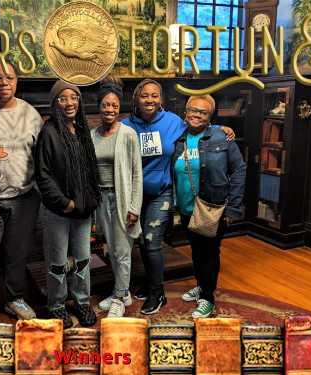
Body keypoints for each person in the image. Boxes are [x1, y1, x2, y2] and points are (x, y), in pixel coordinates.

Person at [122, 79, 235, 315]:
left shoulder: (173, 122)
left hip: (161, 192)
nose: (150, 100)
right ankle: (150, 281)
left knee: (152, 242)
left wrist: (221, 128)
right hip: (133, 194)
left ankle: (157, 292)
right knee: (142, 241)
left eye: (155, 95)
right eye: (145, 95)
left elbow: (201, 125)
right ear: (136, 98)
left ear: (161, 99)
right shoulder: (126, 126)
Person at [0, 62, 43, 323]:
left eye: (9, 78)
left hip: (24, 198)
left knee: (17, 255)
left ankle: (14, 299)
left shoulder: (30, 114)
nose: (4, 82)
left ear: (17, 81)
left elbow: (43, 156)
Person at [172, 94, 246, 318]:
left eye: (202, 112)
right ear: (185, 112)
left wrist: (233, 207)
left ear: (210, 117)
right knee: (196, 251)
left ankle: (208, 298)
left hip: (212, 209)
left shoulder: (221, 137)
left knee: (209, 254)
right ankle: (201, 286)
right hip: (187, 208)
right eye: (192, 110)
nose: (196, 115)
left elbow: (239, 170)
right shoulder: (178, 137)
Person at [35, 80, 101, 329]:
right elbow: (43, 175)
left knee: (84, 259)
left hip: (83, 210)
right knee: (57, 262)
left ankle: (82, 301)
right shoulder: (49, 132)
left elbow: (90, 170)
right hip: (59, 211)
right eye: (63, 98)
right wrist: (65, 203)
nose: (69, 102)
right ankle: (57, 305)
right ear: (55, 104)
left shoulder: (83, 130)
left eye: (74, 97)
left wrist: (89, 200)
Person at [91, 82, 143, 318]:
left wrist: (135, 207)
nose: (109, 109)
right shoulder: (92, 135)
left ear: (119, 107)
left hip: (121, 199)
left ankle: (120, 298)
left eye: (114, 105)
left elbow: (136, 173)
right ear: (99, 107)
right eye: (105, 104)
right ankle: (121, 292)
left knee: (122, 251)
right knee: (111, 250)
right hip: (101, 199)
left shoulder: (128, 134)